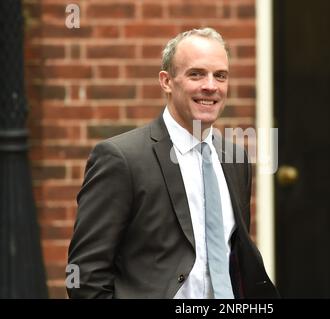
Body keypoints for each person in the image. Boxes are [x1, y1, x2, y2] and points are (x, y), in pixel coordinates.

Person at [67, 27, 279, 299]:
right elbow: (85, 275)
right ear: (166, 81)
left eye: (220, 76)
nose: (211, 86)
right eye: (196, 74)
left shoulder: (235, 160)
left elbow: (233, 258)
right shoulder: (121, 159)